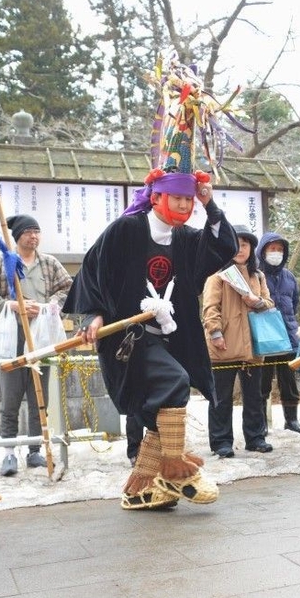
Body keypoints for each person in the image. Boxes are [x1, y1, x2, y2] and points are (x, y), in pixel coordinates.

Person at [64, 165, 238, 510]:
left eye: (189, 200)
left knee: (163, 406)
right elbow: (92, 270)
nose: (184, 206)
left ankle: (141, 488)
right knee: (174, 382)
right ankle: (174, 471)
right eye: (177, 198)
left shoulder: (185, 238)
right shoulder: (127, 229)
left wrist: (210, 203)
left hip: (171, 335)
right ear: (156, 197)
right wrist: (92, 313)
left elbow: (222, 247)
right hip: (129, 337)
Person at [0, 214, 73, 476]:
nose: (34, 236)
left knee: (39, 398)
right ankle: (9, 452)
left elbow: (67, 288)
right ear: (18, 235)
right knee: (10, 398)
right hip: (13, 335)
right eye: (29, 232)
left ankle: (35, 450)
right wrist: (10, 305)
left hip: (42, 335)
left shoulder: (49, 263)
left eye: (36, 231)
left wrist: (48, 306)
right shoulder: (2, 261)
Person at [202, 225, 275, 457]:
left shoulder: (258, 276)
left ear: (251, 248)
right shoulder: (217, 276)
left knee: (254, 396)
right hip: (224, 344)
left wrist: (257, 302)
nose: (240, 249)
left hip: (253, 345)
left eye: (245, 244)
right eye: (236, 244)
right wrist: (215, 333)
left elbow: (269, 303)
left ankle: (255, 438)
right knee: (221, 397)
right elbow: (210, 308)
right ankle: (221, 442)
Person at [256, 231, 300, 435]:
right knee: (262, 381)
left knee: (289, 380)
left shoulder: (289, 276)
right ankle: (261, 423)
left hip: (287, 334)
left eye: (280, 249)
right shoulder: (255, 274)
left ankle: (291, 420)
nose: (276, 252)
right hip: (265, 336)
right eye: (272, 248)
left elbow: (294, 303)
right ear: (263, 251)